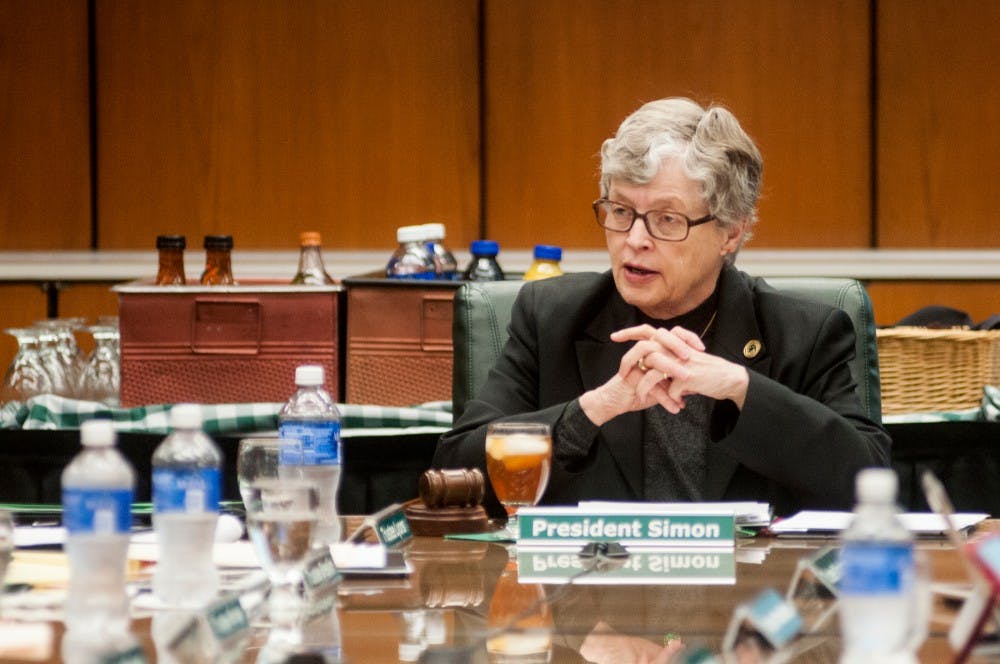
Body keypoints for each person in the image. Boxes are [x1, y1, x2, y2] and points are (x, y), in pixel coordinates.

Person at [432, 97, 890, 517]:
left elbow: (870, 485)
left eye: (666, 220)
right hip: (589, 599)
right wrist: (590, 410)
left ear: (730, 232)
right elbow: (457, 475)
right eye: (620, 212)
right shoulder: (551, 318)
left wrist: (741, 387)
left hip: (743, 598)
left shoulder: (802, 334)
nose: (634, 240)